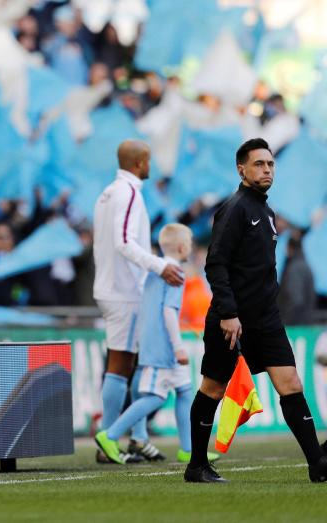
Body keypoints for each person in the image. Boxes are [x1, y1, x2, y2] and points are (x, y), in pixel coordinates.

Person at [186, 138, 327, 483]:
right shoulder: (234, 209)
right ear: (242, 169)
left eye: (270, 164)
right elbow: (215, 264)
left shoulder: (266, 211)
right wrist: (229, 312)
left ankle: (318, 465)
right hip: (230, 320)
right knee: (213, 388)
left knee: (291, 382)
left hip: (265, 319)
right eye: (259, 164)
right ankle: (197, 465)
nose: (266, 169)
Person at [92, 140, 185, 464]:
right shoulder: (129, 193)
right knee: (122, 365)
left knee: (131, 364)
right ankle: (109, 441)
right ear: (140, 162)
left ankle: (138, 438)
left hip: (110, 286)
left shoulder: (107, 193)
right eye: (149, 161)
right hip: (124, 291)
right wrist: (160, 265)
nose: (152, 166)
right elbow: (123, 242)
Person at [95, 224, 218, 464]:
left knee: (184, 391)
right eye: (190, 244)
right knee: (154, 398)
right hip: (163, 348)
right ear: (183, 247)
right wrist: (177, 346)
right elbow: (168, 313)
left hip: (155, 343)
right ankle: (109, 435)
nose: (191, 249)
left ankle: (189, 449)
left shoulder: (153, 272)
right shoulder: (176, 273)